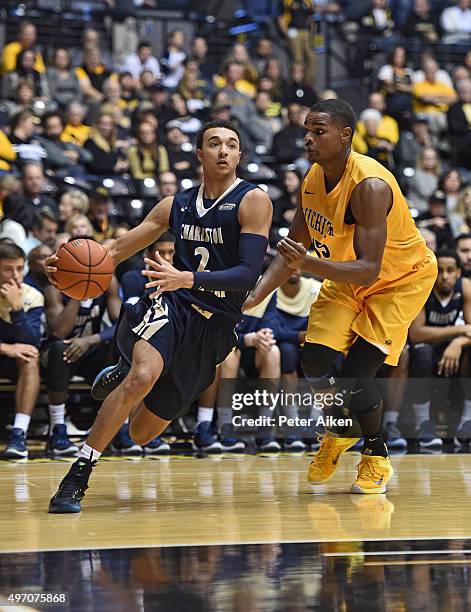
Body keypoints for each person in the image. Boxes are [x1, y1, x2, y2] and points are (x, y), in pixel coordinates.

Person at [46, 120, 272, 512]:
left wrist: (190, 276)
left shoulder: (254, 201)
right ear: (199, 154)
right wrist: (68, 263)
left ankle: (130, 368)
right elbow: (114, 250)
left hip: (215, 327)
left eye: (231, 145)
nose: (223, 151)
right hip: (174, 305)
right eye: (214, 143)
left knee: (141, 433)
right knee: (143, 375)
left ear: (239, 156)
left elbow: (249, 274)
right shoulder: (175, 205)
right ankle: (77, 475)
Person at [245, 99, 437, 494]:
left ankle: (376, 456)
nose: (309, 139)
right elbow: (290, 255)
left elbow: (368, 267)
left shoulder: (369, 186)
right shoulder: (312, 178)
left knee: (355, 376)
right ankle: (342, 426)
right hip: (345, 273)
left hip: (398, 280)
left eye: (319, 132)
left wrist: (308, 264)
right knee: (313, 360)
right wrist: (253, 298)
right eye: (307, 131)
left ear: (345, 136)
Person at [408, 250, 471, 448]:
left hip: (455, 351)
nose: (444, 276)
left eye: (450, 270)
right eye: (440, 270)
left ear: (458, 273)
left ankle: (467, 421)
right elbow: (416, 334)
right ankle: (423, 424)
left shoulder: (466, 287)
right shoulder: (422, 288)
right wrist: (460, 330)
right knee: (422, 352)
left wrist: (457, 343)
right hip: (427, 350)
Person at [0, 242, 44, 459]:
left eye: (19, 268)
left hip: (13, 363)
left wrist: (17, 309)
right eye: (8, 269)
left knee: (30, 358)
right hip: (4, 352)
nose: (15, 276)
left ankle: (19, 434)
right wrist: (5, 347)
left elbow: (31, 340)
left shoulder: (32, 296)